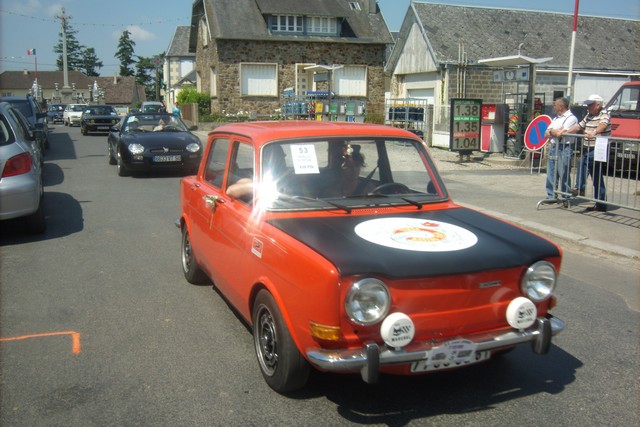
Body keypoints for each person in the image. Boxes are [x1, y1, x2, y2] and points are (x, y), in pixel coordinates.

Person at [562, 94, 611, 212]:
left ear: (598, 105)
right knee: (596, 176)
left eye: (590, 104)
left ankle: (580, 188)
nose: (588, 107)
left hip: (598, 148)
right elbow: (579, 126)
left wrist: (594, 132)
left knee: (583, 162)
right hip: (588, 146)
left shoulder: (604, 114)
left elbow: (603, 126)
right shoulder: (589, 115)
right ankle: (600, 203)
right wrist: (566, 131)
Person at [544, 97, 577, 200]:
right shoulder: (555, 118)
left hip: (565, 147)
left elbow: (560, 134)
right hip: (554, 146)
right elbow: (546, 133)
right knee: (551, 172)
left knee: (563, 173)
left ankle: (565, 196)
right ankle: (551, 195)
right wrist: (554, 132)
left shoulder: (571, 118)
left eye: (555, 105)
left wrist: (553, 132)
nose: (554, 107)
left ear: (561, 106)